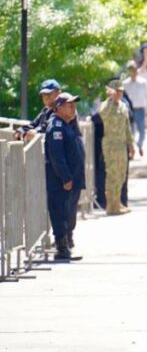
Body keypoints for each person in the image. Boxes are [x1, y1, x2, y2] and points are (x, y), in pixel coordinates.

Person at [44, 93, 86, 262]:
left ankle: (67, 243)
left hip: (73, 180)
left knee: (69, 212)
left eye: (74, 105)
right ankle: (62, 247)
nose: (73, 108)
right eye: (69, 105)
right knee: (60, 212)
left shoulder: (68, 124)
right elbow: (57, 156)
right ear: (59, 107)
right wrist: (66, 178)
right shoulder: (56, 126)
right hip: (61, 181)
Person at [99, 79, 134, 215]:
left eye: (121, 91)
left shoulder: (123, 106)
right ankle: (111, 205)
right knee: (112, 174)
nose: (119, 94)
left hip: (121, 144)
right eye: (117, 91)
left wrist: (131, 145)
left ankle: (117, 202)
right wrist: (110, 99)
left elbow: (127, 127)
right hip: (110, 144)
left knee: (121, 175)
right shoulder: (106, 105)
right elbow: (103, 114)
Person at [123, 64, 147, 154]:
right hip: (129, 110)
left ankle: (139, 144)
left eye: (134, 70)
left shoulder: (143, 82)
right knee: (131, 130)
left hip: (140, 109)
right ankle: (131, 149)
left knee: (142, 130)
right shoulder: (125, 84)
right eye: (131, 71)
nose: (133, 73)